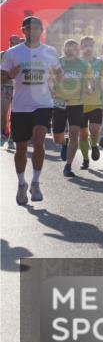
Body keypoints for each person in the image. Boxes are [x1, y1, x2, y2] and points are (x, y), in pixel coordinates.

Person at [2, 17, 62, 204]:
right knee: (20, 148)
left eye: (37, 28)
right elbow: (2, 75)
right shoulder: (13, 53)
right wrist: (10, 75)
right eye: (29, 28)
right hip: (21, 106)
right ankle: (22, 184)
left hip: (43, 103)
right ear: (24, 31)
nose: (33, 31)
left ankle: (36, 182)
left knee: (38, 141)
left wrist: (58, 80)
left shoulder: (50, 52)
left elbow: (59, 73)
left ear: (41, 31)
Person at [51, 39, 91, 178]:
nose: (70, 51)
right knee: (57, 138)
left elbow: (87, 83)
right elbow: (50, 80)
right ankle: (64, 143)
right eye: (67, 48)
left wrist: (89, 89)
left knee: (75, 134)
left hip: (76, 104)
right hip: (59, 103)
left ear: (78, 50)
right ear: (64, 49)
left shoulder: (84, 65)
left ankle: (68, 166)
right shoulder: (58, 62)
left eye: (73, 48)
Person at [78, 36, 103, 170]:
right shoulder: (76, 63)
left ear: (93, 47)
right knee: (83, 134)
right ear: (81, 47)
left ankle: (94, 146)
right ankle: (86, 160)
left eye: (90, 45)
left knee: (94, 129)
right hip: (79, 104)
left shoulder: (100, 63)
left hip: (96, 102)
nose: (88, 48)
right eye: (85, 45)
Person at [1, 34, 23, 150]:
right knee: (4, 110)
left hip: (20, 87)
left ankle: (11, 137)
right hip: (5, 86)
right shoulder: (2, 54)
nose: (14, 44)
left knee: (16, 114)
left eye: (16, 42)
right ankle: (3, 132)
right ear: (9, 42)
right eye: (12, 42)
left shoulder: (23, 55)